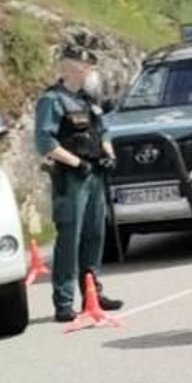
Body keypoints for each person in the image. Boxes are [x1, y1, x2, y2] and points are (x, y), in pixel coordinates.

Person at [34, 44, 123, 322]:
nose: (89, 71)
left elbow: (103, 131)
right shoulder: (52, 100)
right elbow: (45, 142)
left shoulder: (88, 100)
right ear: (70, 66)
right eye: (84, 65)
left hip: (94, 174)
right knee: (69, 240)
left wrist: (108, 155)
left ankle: (92, 292)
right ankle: (64, 301)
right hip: (72, 178)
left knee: (94, 236)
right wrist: (76, 163)